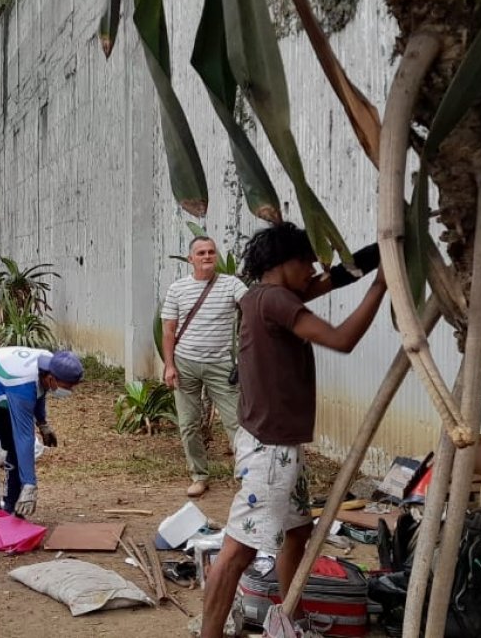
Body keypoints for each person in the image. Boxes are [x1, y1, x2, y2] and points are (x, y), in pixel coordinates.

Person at [199, 223, 384, 638]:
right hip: (270, 451)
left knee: (296, 533)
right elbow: (341, 339)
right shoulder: (278, 300)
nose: (314, 271)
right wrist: (381, 286)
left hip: (277, 443)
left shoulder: (260, 296)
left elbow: (326, 283)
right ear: (286, 263)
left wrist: (375, 255)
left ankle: (289, 621)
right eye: (308, 262)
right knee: (237, 553)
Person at [161, 236, 248, 498]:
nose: (207, 256)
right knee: (188, 424)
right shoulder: (177, 289)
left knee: (236, 423)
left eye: (211, 252)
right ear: (191, 259)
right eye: (201, 253)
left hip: (221, 364)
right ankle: (199, 475)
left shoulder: (231, 284)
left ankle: (245, 477)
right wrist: (169, 365)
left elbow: (252, 306)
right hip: (185, 363)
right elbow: (168, 330)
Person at [0, 347, 84, 517]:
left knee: (12, 451)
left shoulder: (48, 363)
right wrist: (30, 485)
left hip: (3, 385)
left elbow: (40, 392)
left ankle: (12, 509)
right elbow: (24, 437)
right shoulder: (23, 386)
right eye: (67, 386)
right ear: (51, 378)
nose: (70, 391)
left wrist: (43, 423)